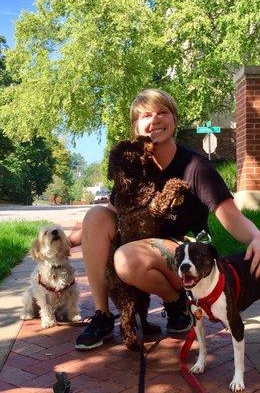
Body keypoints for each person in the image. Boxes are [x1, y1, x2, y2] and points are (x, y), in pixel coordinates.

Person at [71, 88, 260, 350]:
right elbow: (115, 212)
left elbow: (230, 215)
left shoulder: (195, 166)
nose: (155, 119)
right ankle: (102, 316)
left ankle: (177, 303)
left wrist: (257, 237)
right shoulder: (134, 168)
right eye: (146, 115)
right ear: (135, 127)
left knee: (126, 258)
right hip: (144, 245)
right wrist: (69, 240)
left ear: (174, 119)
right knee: (95, 216)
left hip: (185, 250)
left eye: (163, 112)